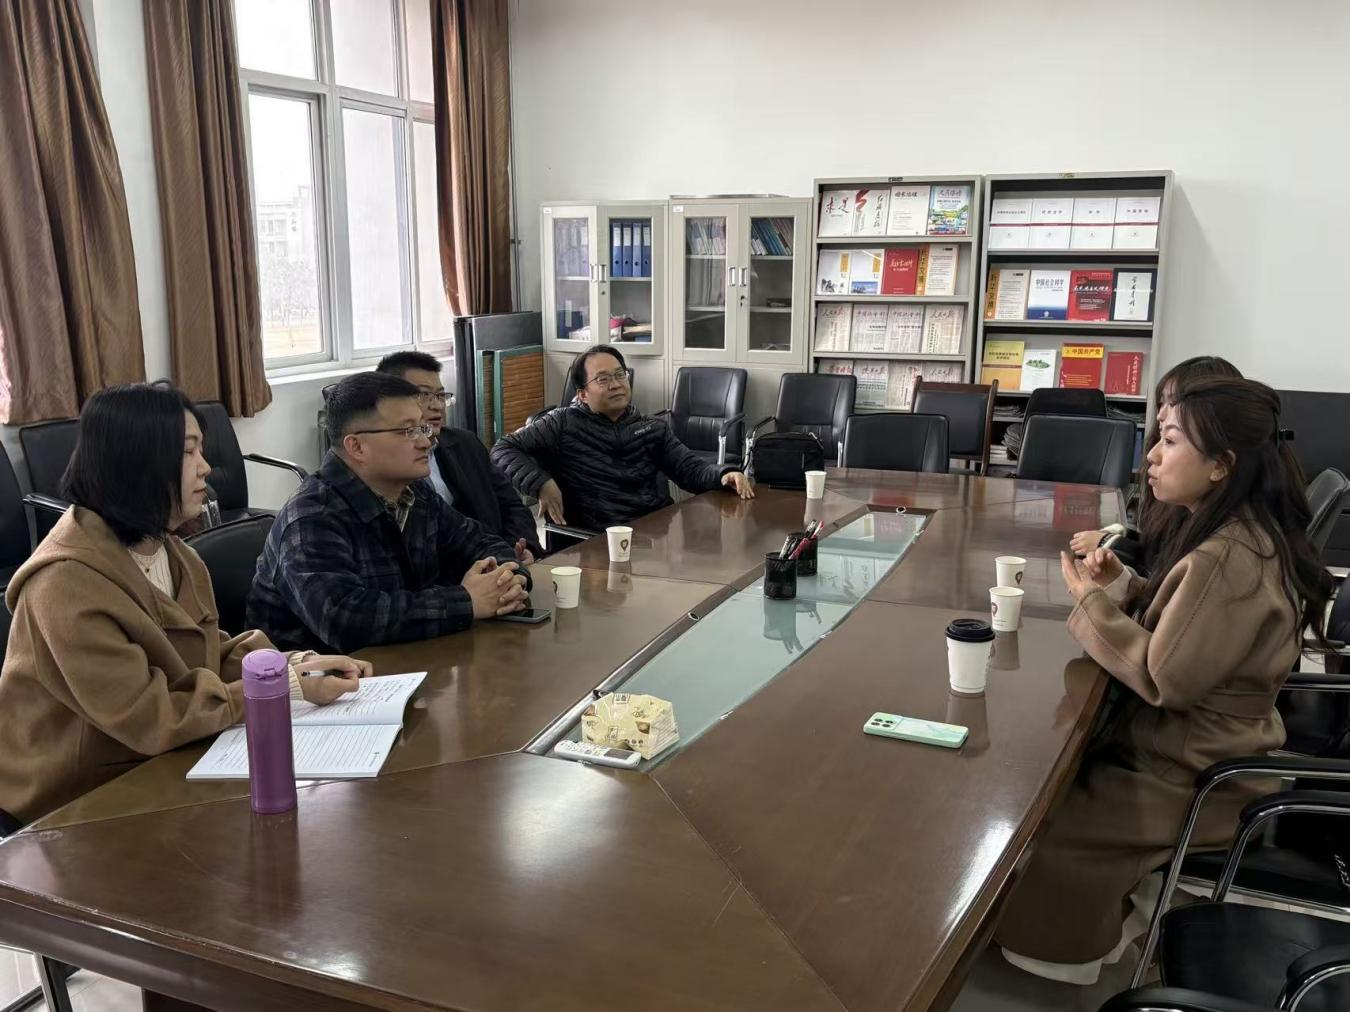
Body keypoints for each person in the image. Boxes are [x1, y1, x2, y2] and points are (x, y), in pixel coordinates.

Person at [995, 376, 1332, 983]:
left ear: (1220, 466)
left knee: (1044, 822)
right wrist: (1124, 585)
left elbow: (1165, 678)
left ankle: (1073, 951)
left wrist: (1090, 604)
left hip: (1190, 772)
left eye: (1170, 441)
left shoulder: (1226, 556)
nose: (1150, 455)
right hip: (1214, 750)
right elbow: (1192, 625)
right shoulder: (1241, 533)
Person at [0, 383, 369, 831]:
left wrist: (292, 667)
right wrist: (280, 690)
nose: (206, 467)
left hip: (154, 768)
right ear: (138, 462)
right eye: (188, 451)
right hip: (69, 803)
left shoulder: (174, 554)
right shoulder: (63, 584)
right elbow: (149, 717)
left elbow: (206, 653)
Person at [248, 371, 530, 655]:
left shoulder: (415, 493)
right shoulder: (312, 516)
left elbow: (479, 540)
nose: (426, 441)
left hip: (410, 659)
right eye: (408, 431)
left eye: (422, 428)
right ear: (357, 446)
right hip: (323, 676)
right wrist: (466, 602)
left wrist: (508, 578)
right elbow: (344, 619)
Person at [490, 345, 754, 532]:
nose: (616, 384)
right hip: (591, 541)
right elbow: (503, 449)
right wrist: (541, 483)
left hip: (649, 535)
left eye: (620, 375)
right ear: (582, 394)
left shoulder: (650, 427)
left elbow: (690, 469)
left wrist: (723, 474)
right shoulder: (561, 423)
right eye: (603, 379)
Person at [1070, 355, 1243, 572]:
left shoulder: (1224, 545)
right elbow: (1158, 549)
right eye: (1161, 402)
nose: (1161, 414)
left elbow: (1165, 569)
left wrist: (1110, 544)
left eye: (1173, 403)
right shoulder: (1182, 488)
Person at [376, 351, 542, 560]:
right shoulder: (389, 464)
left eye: (440, 396)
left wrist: (521, 548)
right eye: (423, 395)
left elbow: (512, 506)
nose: (437, 405)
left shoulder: (465, 443)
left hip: (494, 561)